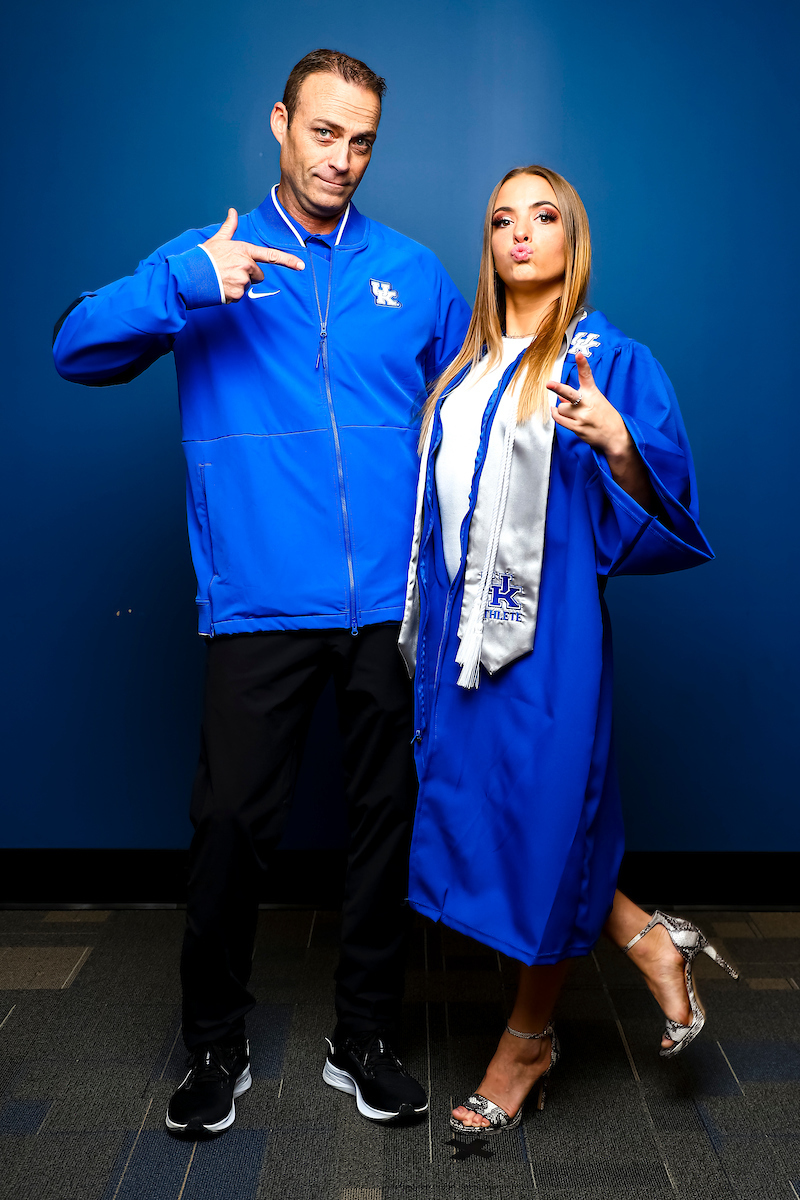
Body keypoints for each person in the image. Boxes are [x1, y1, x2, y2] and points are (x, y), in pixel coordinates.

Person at [53, 48, 471, 1134]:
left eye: (361, 140)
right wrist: (187, 283)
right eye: (323, 133)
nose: (342, 158)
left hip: (391, 605)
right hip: (258, 604)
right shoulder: (209, 259)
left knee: (388, 822)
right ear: (279, 124)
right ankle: (214, 1047)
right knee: (232, 825)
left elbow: (474, 413)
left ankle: (365, 1036)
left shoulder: (414, 274)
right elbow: (73, 349)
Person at [398, 164, 738, 1135]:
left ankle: (525, 1042)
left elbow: (657, 508)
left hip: (547, 633)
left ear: (569, 241)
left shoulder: (603, 360)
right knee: (500, 817)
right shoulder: (460, 369)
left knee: (545, 823)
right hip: (456, 633)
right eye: (501, 218)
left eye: (541, 217)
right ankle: (645, 936)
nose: (518, 234)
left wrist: (619, 445)